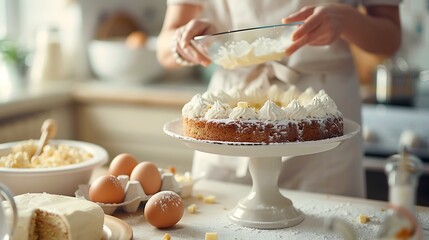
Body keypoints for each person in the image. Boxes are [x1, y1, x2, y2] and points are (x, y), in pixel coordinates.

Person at [157, 0, 401, 198]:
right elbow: (165, 48)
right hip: (230, 110)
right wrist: (183, 41)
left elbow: (389, 38)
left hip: (322, 113)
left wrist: (347, 20)